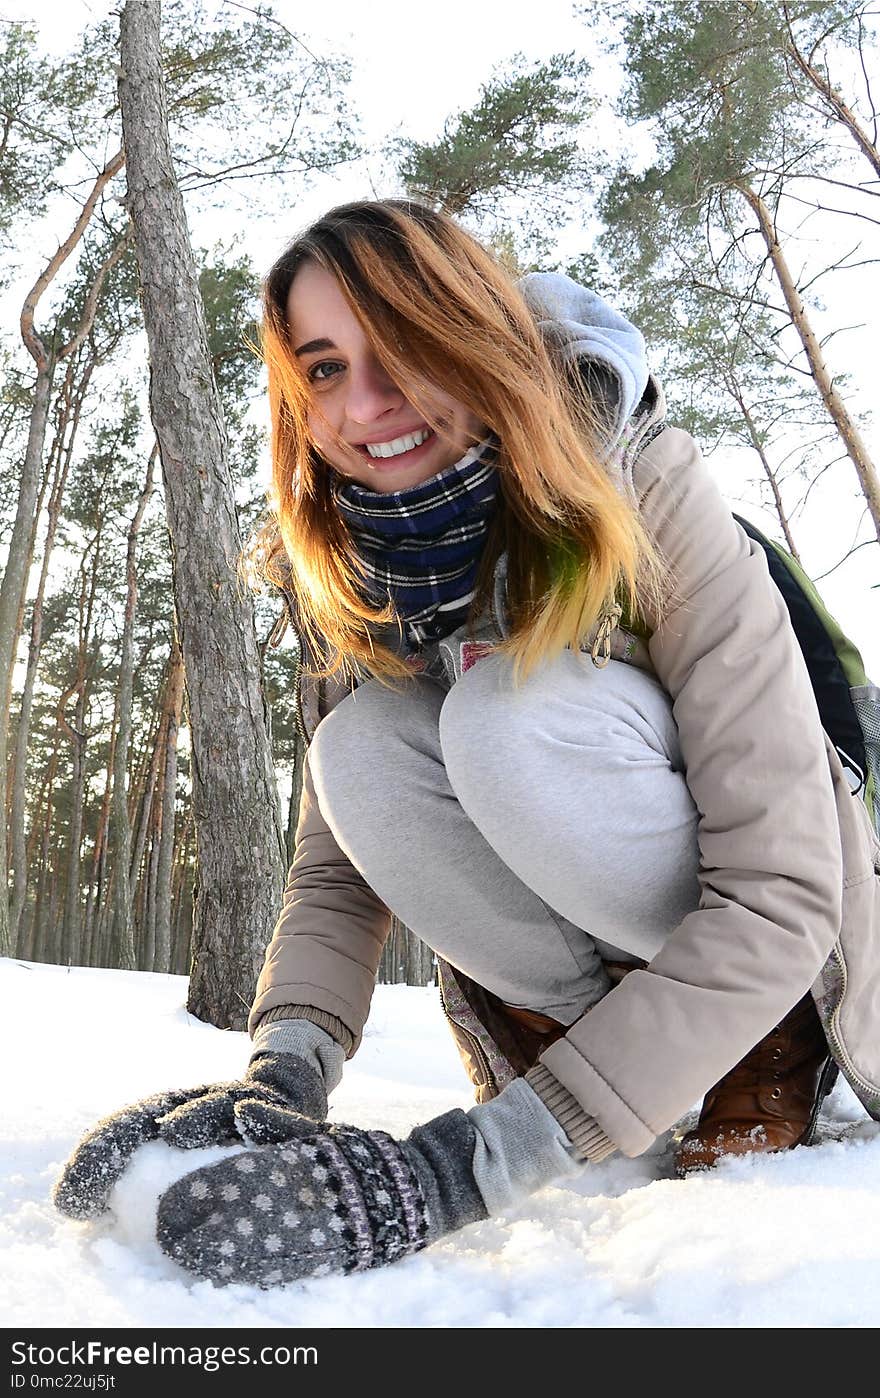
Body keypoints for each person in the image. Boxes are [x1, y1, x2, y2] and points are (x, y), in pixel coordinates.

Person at [54, 199, 880, 1289]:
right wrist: (285, 1070)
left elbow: (783, 888)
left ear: (478, 339)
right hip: (603, 947)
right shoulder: (356, 562)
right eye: (325, 368)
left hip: (787, 918)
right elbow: (338, 866)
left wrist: (458, 1172)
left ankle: (763, 1045)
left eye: (404, 350)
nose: (369, 404)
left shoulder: (645, 484)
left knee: (504, 715)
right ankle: (601, 1064)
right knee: (356, 752)